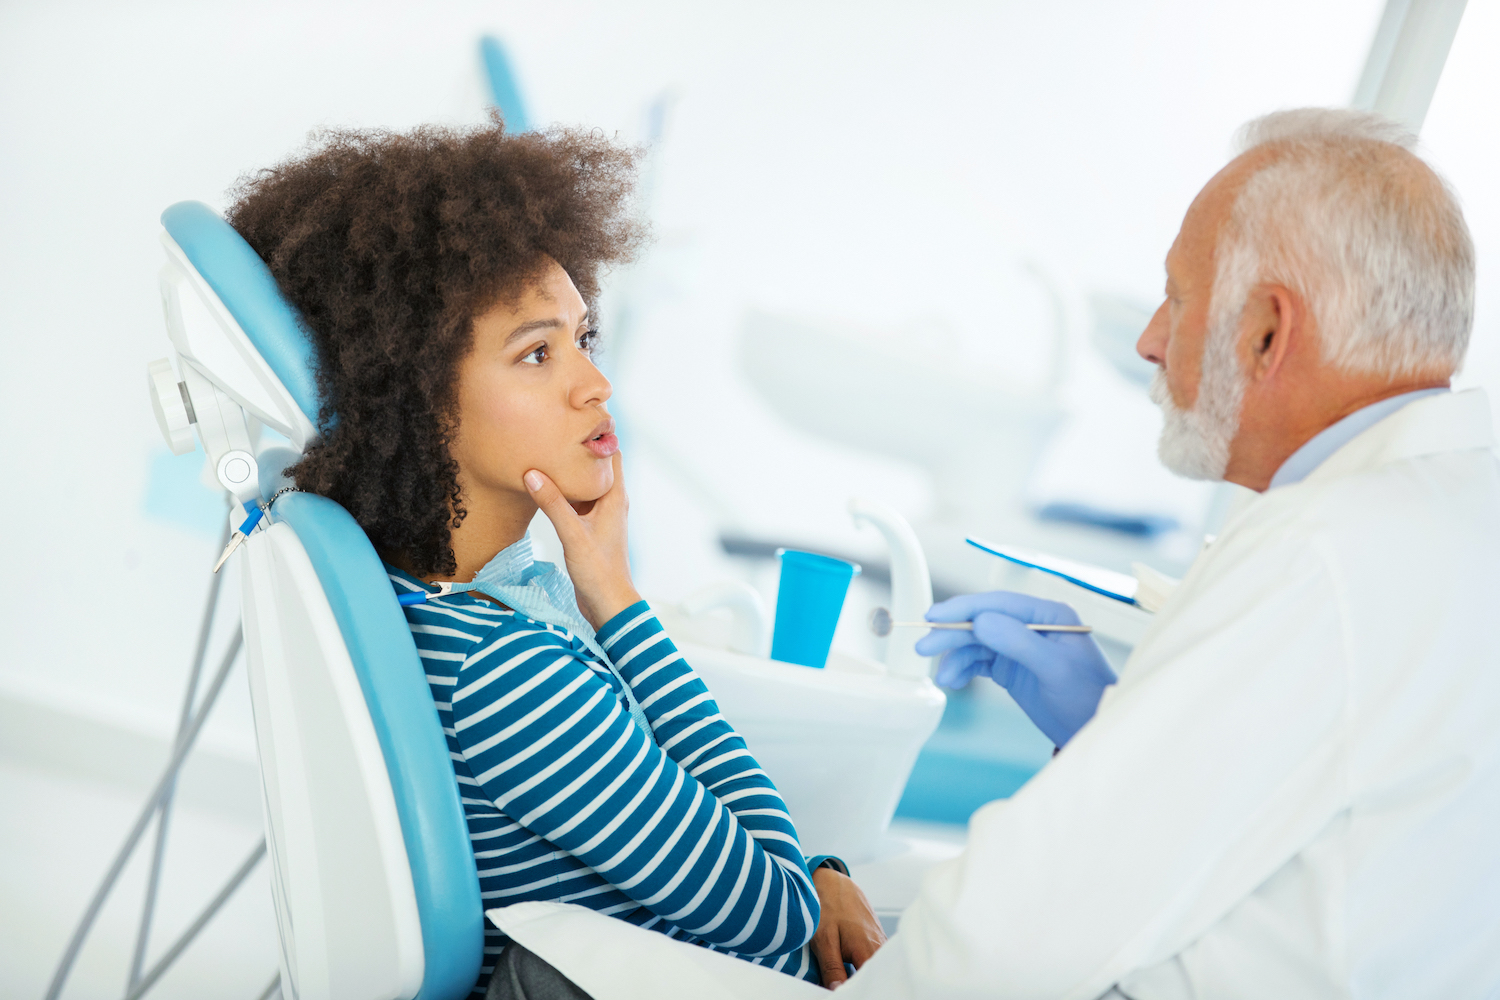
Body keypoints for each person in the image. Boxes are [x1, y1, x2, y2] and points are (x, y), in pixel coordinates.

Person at [227, 120, 884, 997]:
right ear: (419, 404)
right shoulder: (506, 670)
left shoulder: (448, 610)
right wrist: (615, 598)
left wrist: (815, 867)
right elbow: (775, 918)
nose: (594, 383)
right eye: (538, 352)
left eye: (584, 338)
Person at [871, 108, 1500, 997]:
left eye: (1177, 296)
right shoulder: (1458, 518)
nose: (1150, 341)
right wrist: (1114, 733)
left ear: (1267, 333)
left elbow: (1006, 939)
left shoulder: (1319, 551)